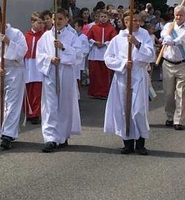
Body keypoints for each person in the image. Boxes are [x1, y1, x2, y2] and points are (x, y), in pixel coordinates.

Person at [104, 13, 156, 155]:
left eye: (139, 20)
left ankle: (140, 142)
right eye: (134, 20)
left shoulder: (144, 36)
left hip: (138, 74)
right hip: (123, 76)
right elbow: (108, 58)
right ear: (125, 22)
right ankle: (127, 142)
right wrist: (122, 64)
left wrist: (137, 44)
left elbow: (151, 55)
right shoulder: (117, 39)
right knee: (124, 109)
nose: (137, 23)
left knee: (138, 109)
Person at [36, 9, 82, 153]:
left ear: (67, 20)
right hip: (51, 73)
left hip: (66, 73)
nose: (58, 22)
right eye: (55, 19)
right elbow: (39, 54)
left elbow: (79, 54)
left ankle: (62, 136)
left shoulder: (72, 36)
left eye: (61, 19)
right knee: (50, 106)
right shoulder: (45, 36)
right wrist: (50, 59)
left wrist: (63, 48)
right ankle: (50, 138)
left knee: (64, 105)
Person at [0, 11, 28, 150]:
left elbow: (23, 51)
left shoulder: (16, 33)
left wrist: (8, 42)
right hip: (0, 72)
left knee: (12, 104)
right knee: (1, 103)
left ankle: (8, 134)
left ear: (3, 21)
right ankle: (3, 131)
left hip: (14, 70)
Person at [160, 5, 185, 130]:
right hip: (167, 64)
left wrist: (172, 41)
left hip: (182, 64)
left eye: (181, 15)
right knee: (168, 93)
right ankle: (169, 116)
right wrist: (166, 37)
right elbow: (164, 34)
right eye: (176, 14)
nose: (178, 17)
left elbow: (182, 39)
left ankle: (178, 120)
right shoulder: (168, 26)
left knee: (180, 93)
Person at [85, 9, 117, 99]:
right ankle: (94, 92)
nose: (103, 19)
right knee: (95, 74)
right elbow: (88, 38)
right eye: (101, 17)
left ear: (108, 18)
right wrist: (95, 42)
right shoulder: (94, 27)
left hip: (105, 53)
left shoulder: (111, 28)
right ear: (98, 18)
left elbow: (114, 40)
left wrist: (105, 43)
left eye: (105, 17)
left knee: (104, 75)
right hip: (95, 53)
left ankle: (104, 92)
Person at [23, 12, 46, 124]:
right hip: (28, 64)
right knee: (28, 90)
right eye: (39, 22)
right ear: (32, 22)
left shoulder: (44, 36)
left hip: (38, 65)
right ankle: (29, 112)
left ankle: (36, 114)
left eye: (42, 23)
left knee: (37, 90)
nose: (41, 25)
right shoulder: (26, 36)